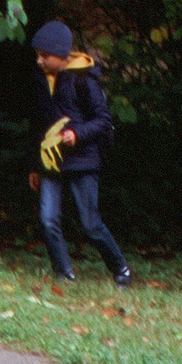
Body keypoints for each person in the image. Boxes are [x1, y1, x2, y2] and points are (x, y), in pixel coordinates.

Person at [28, 20, 132, 289]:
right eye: (37, 55)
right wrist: (34, 166)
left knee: (90, 223)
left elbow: (102, 120)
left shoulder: (84, 81)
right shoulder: (40, 81)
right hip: (50, 163)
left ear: (62, 56)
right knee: (48, 218)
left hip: (82, 161)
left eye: (45, 56)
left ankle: (120, 268)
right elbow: (38, 126)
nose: (39, 61)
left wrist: (77, 134)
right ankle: (64, 274)